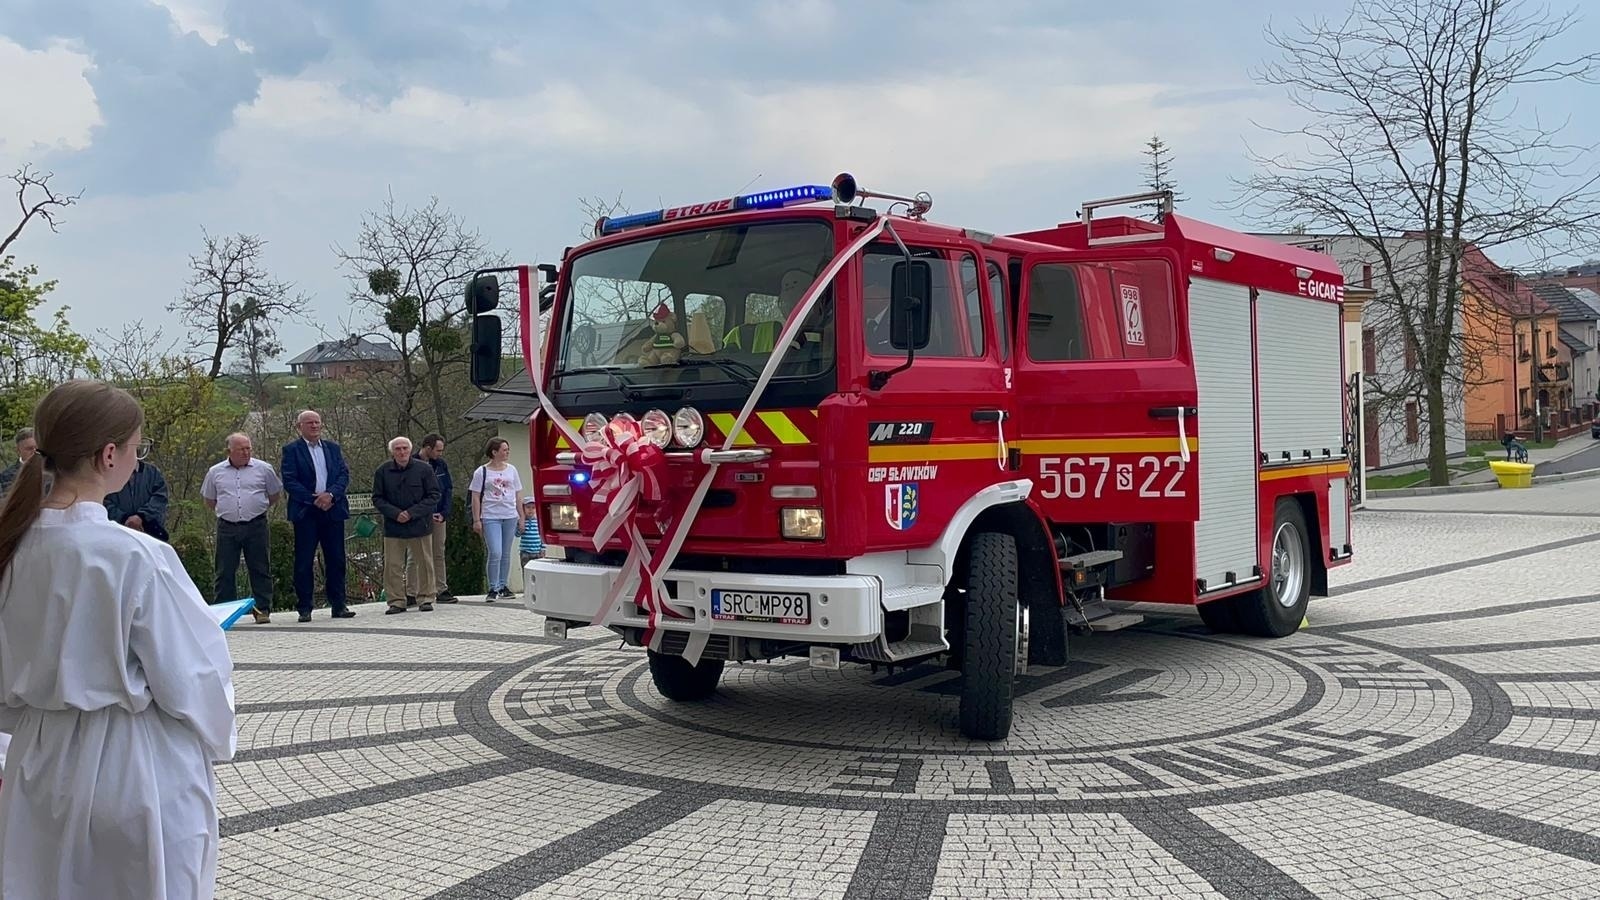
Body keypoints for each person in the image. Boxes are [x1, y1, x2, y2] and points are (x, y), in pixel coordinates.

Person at [0, 379, 236, 898]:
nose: (137, 459)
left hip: (37, 765)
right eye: (137, 448)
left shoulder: (12, 548)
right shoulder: (134, 555)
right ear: (110, 454)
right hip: (135, 767)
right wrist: (219, 734)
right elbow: (191, 676)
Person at [281, 409, 356, 622]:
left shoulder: (333, 448)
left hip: (333, 510)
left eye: (317, 423)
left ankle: (339, 605)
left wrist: (330, 495)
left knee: (337, 559)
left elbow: (343, 474)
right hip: (306, 512)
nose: (314, 426)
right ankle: (305, 608)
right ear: (299, 427)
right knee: (304, 561)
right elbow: (290, 480)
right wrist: (315, 499)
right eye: (309, 423)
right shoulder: (292, 450)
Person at [202, 432, 282, 625]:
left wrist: (255, 507)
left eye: (248, 448)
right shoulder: (215, 472)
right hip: (227, 526)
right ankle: (224, 610)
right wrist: (229, 511)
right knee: (225, 570)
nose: (246, 452)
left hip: (256, 524)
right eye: (241, 449)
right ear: (229, 451)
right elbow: (209, 499)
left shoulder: (264, 469)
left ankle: (262, 609)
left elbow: (274, 494)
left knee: (260, 567)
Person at [372, 436, 440, 614]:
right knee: (393, 565)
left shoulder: (424, 469)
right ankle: (396, 601)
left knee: (424, 563)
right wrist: (396, 514)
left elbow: (433, 495)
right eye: (398, 449)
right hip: (394, 527)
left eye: (404, 448)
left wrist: (411, 513)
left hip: (420, 525)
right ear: (392, 452)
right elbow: (377, 498)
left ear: (410, 450)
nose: (401, 452)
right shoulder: (382, 471)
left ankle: (426, 598)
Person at [469, 437, 523, 600]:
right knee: (495, 551)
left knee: (506, 552)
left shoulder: (512, 470)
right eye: (504, 450)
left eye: (508, 450)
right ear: (494, 452)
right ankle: (493, 587)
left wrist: (521, 516)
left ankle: (503, 585)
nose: (507, 452)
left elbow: (518, 494)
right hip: (490, 515)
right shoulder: (482, 471)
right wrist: (476, 519)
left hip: (509, 515)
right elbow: (475, 496)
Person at [406, 433, 455, 605]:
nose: (440, 454)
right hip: (419, 516)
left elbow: (447, 489)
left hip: (439, 516)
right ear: (428, 448)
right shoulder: (410, 464)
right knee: (415, 554)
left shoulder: (440, 465)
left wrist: (444, 512)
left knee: (438, 553)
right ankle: (411, 592)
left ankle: (441, 589)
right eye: (438, 450)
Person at [103, 451, 170, 542]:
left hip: (150, 536)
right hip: (117, 535)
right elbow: (103, 501)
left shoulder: (152, 473)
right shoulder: (107, 475)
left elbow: (160, 499)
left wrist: (141, 516)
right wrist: (124, 518)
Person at [0, 428, 36, 498]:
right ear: (18, 450)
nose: (34, 452)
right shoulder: (6, 477)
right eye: (29, 449)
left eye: (37, 448)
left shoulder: (52, 471)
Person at [517, 495, 543, 575]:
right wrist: (520, 528)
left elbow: (542, 536)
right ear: (523, 509)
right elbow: (517, 534)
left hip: (537, 552)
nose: (530, 510)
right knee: (526, 573)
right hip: (525, 552)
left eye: (533, 507)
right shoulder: (522, 522)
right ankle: (526, 587)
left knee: (538, 573)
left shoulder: (538, 522)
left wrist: (543, 549)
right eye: (528, 507)